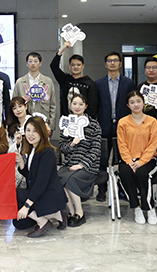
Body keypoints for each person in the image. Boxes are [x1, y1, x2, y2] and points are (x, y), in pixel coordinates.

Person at [14, 117, 68, 238]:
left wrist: (26, 206)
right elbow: (32, 177)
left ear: (42, 132)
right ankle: (58, 214)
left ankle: (43, 222)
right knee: (19, 223)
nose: (30, 134)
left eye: (35, 131)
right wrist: (22, 163)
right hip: (39, 192)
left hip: (47, 194)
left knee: (13, 194)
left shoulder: (47, 152)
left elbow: (41, 182)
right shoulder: (33, 149)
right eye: (28, 130)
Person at [94, 51, 135, 202]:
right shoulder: (98, 83)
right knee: (102, 160)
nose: (112, 63)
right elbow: (96, 105)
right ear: (105, 64)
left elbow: (132, 104)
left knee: (123, 159)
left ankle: (122, 189)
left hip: (123, 127)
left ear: (120, 64)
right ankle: (102, 190)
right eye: (109, 61)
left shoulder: (129, 83)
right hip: (104, 126)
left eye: (115, 60)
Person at [57, 94, 101, 227]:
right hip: (70, 163)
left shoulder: (93, 124)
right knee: (58, 177)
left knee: (70, 179)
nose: (77, 107)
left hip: (89, 165)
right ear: (70, 105)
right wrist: (72, 144)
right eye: (74, 103)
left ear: (86, 106)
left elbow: (96, 150)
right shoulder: (66, 124)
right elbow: (62, 148)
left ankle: (80, 213)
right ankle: (71, 212)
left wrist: (82, 164)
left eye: (81, 104)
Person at [116, 91, 157, 225]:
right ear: (128, 105)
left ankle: (150, 208)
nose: (136, 105)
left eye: (138, 101)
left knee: (142, 174)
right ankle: (136, 207)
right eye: (132, 102)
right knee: (124, 173)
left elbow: (153, 144)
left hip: (148, 160)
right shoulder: (123, 122)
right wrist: (130, 162)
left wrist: (141, 162)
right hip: (128, 160)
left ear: (143, 102)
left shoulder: (152, 121)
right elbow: (122, 144)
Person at [50, 41, 98, 118]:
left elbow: (93, 106)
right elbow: (54, 66)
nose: (76, 67)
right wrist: (61, 50)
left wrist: (86, 120)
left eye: (78, 65)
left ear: (83, 66)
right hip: (67, 119)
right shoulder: (65, 80)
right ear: (69, 66)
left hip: (83, 120)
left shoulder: (89, 83)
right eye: (73, 65)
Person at [13, 52, 56, 131]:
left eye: (35, 61)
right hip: (24, 122)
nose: (33, 64)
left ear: (40, 63)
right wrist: (21, 100)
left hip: (43, 122)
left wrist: (51, 126)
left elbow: (53, 105)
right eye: (30, 61)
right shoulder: (20, 82)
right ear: (27, 64)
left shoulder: (48, 82)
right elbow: (13, 102)